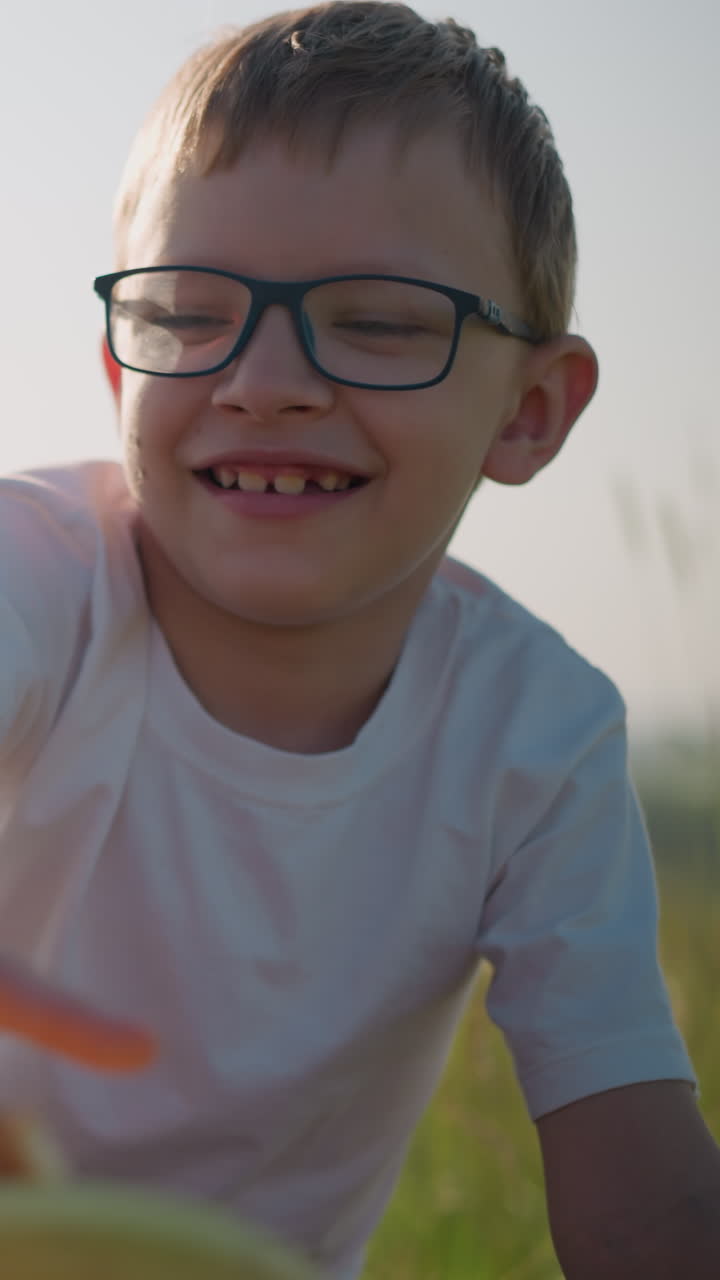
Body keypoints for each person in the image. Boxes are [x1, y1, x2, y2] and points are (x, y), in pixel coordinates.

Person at [1, 2, 718, 1276]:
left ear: (531, 410)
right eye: (189, 313)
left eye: (379, 321)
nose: (263, 381)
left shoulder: (537, 738)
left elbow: (643, 1207)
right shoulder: (39, 575)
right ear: (121, 376)